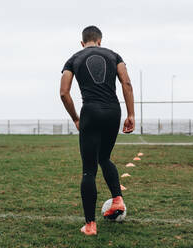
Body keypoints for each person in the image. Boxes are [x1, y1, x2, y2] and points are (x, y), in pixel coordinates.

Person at [60, 25, 135, 236]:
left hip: (90, 112)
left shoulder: (73, 58)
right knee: (105, 158)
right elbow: (126, 83)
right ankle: (117, 200)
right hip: (113, 111)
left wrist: (76, 117)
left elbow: (64, 93)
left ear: (82, 43)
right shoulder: (114, 55)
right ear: (100, 41)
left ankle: (90, 225)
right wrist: (131, 115)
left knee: (89, 170)